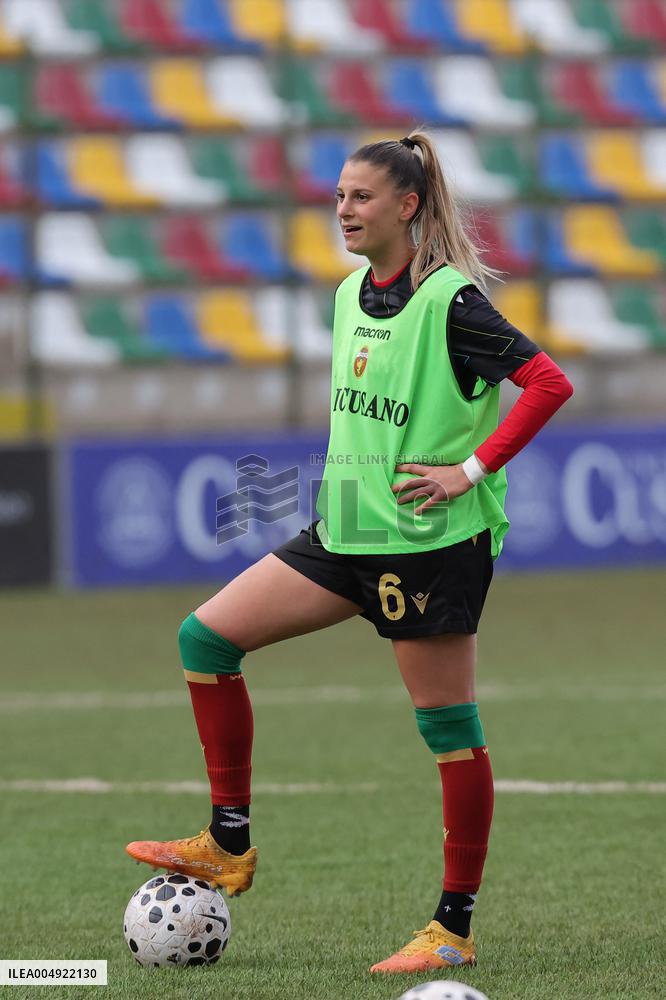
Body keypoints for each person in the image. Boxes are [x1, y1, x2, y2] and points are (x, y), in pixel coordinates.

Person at [126, 131, 573, 974]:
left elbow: (549, 383)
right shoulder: (347, 294)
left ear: (407, 205)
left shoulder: (453, 303)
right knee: (205, 639)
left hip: (430, 547)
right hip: (343, 535)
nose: (343, 211)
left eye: (361, 198)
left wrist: (466, 472)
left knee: (449, 731)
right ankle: (228, 843)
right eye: (338, 197)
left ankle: (451, 929)